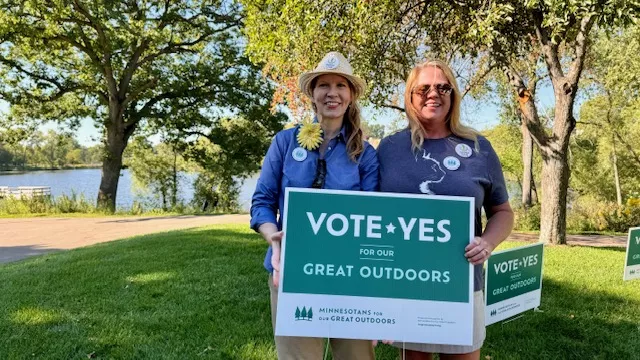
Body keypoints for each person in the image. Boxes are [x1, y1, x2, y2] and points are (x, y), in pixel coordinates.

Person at [376, 60, 514, 360]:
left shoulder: (479, 148)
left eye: (442, 87)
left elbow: (502, 211)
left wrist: (488, 242)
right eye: (423, 88)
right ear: (410, 96)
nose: (432, 94)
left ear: (453, 96)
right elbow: (369, 211)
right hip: (405, 283)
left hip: (461, 283)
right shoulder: (389, 148)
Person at [250, 51, 379, 360]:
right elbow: (262, 202)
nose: (331, 92)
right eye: (323, 85)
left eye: (340, 86)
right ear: (312, 93)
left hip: (351, 276)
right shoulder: (284, 142)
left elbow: (375, 217)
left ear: (350, 96)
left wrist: (377, 299)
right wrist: (273, 237)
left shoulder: (366, 153)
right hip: (292, 271)